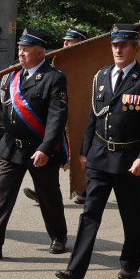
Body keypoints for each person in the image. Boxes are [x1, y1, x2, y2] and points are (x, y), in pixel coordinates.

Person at [55, 23, 140, 279]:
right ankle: (76, 269)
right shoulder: (102, 76)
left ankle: (130, 262)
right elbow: (94, 115)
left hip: (130, 160)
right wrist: (84, 152)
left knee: (132, 215)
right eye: (115, 45)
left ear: (136, 48)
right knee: (90, 214)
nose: (118, 50)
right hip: (100, 157)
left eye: (124, 45)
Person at [0, 27, 69, 260]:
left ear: (41, 53)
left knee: (49, 196)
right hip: (11, 147)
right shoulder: (12, 74)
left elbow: (56, 118)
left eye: (26, 50)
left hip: (39, 148)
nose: (20, 54)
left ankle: (58, 236)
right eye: (19, 49)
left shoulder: (54, 78)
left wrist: (46, 148)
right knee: (1, 196)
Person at [24, 25, 88, 206]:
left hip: (79, 114)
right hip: (57, 114)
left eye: (70, 41)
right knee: (54, 152)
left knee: (80, 152)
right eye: (65, 40)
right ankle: (44, 191)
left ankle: (85, 187)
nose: (65, 43)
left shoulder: (87, 61)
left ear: (81, 43)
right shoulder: (56, 59)